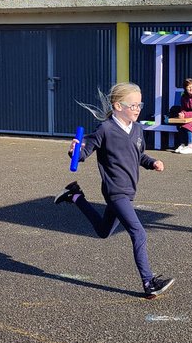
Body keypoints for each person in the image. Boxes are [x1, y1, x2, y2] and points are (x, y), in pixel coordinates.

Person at [54, 82, 175, 299]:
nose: (137, 109)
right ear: (118, 106)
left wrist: (152, 162)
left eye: (139, 105)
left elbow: (139, 155)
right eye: (133, 105)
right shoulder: (105, 129)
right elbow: (83, 153)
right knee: (138, 232)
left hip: (128, 190)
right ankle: (149, 282)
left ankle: (75, 196)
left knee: (103, 231)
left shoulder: (137, 129)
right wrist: (74, 150)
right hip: (115, 191)